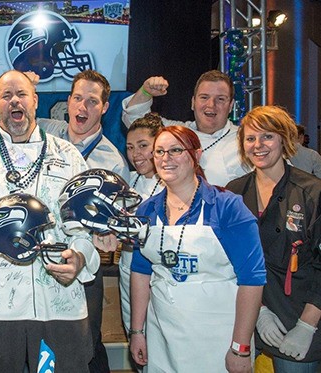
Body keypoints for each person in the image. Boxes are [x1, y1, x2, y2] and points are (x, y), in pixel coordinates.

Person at [0, 70, 100, 372]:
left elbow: (83, 224)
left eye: (21, 94)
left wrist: (80, 256)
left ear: (35, 100)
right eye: (6, 96)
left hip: (59, 300)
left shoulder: (68, 154)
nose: (14, 101)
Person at [130, 125, 266, 372]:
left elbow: (252, 280)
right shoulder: (146, 211)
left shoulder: (227, 208)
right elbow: (140, 271)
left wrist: (241, 347)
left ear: (197, 155)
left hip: (219, 341)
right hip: (162, 340)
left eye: (175, 150)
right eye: (159, 151)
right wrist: (137, 331)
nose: (165, 158)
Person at [36, 69, 130, 372]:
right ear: (68, 101)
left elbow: (116, 224)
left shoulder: (112, 162)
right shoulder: (43, 132)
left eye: (92, 101)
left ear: (104, 107)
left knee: (86, 345)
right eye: (77, 98)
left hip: (84, 265)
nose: (83, 107)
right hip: (39, 261)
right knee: (40, 345)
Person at [226, 106, 321, 371]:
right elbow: (228, 258)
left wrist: (306, 325)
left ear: (284, 139)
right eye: (250, 138)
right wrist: (259, 311)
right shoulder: (235, 193)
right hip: (249, 315)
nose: (258, 145)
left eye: (267, 136)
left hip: (299, 317)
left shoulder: (312, 192)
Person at [122, 70, 250, 186]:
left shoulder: (246, 140)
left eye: (220, 99)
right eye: (204, 97)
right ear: (193, 103)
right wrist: (146, 91)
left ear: (231, 106)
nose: (211, 105)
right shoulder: (175, 133)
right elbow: (136, 120)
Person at [119, 113, 165, 335]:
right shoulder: (127, 180)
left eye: (143, 145)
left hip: (159, 273)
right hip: (128, 268)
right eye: (130, 147)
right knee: (135, 334)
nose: (135, 154)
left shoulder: (172, 184)